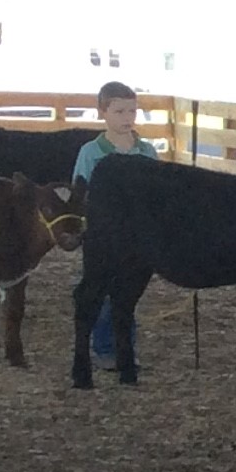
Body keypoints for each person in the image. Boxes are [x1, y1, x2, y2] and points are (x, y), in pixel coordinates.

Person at [73, 81, 155, 367]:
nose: (127, 118)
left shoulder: (146, 151)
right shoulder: (91, 152)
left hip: (138, 235)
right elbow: (81, 191)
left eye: (132, 111)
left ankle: (125, 347)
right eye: (119, 111)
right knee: (103, 290)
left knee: (129, 291)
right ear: (103, 112)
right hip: (104, 234)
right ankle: (105, 347)